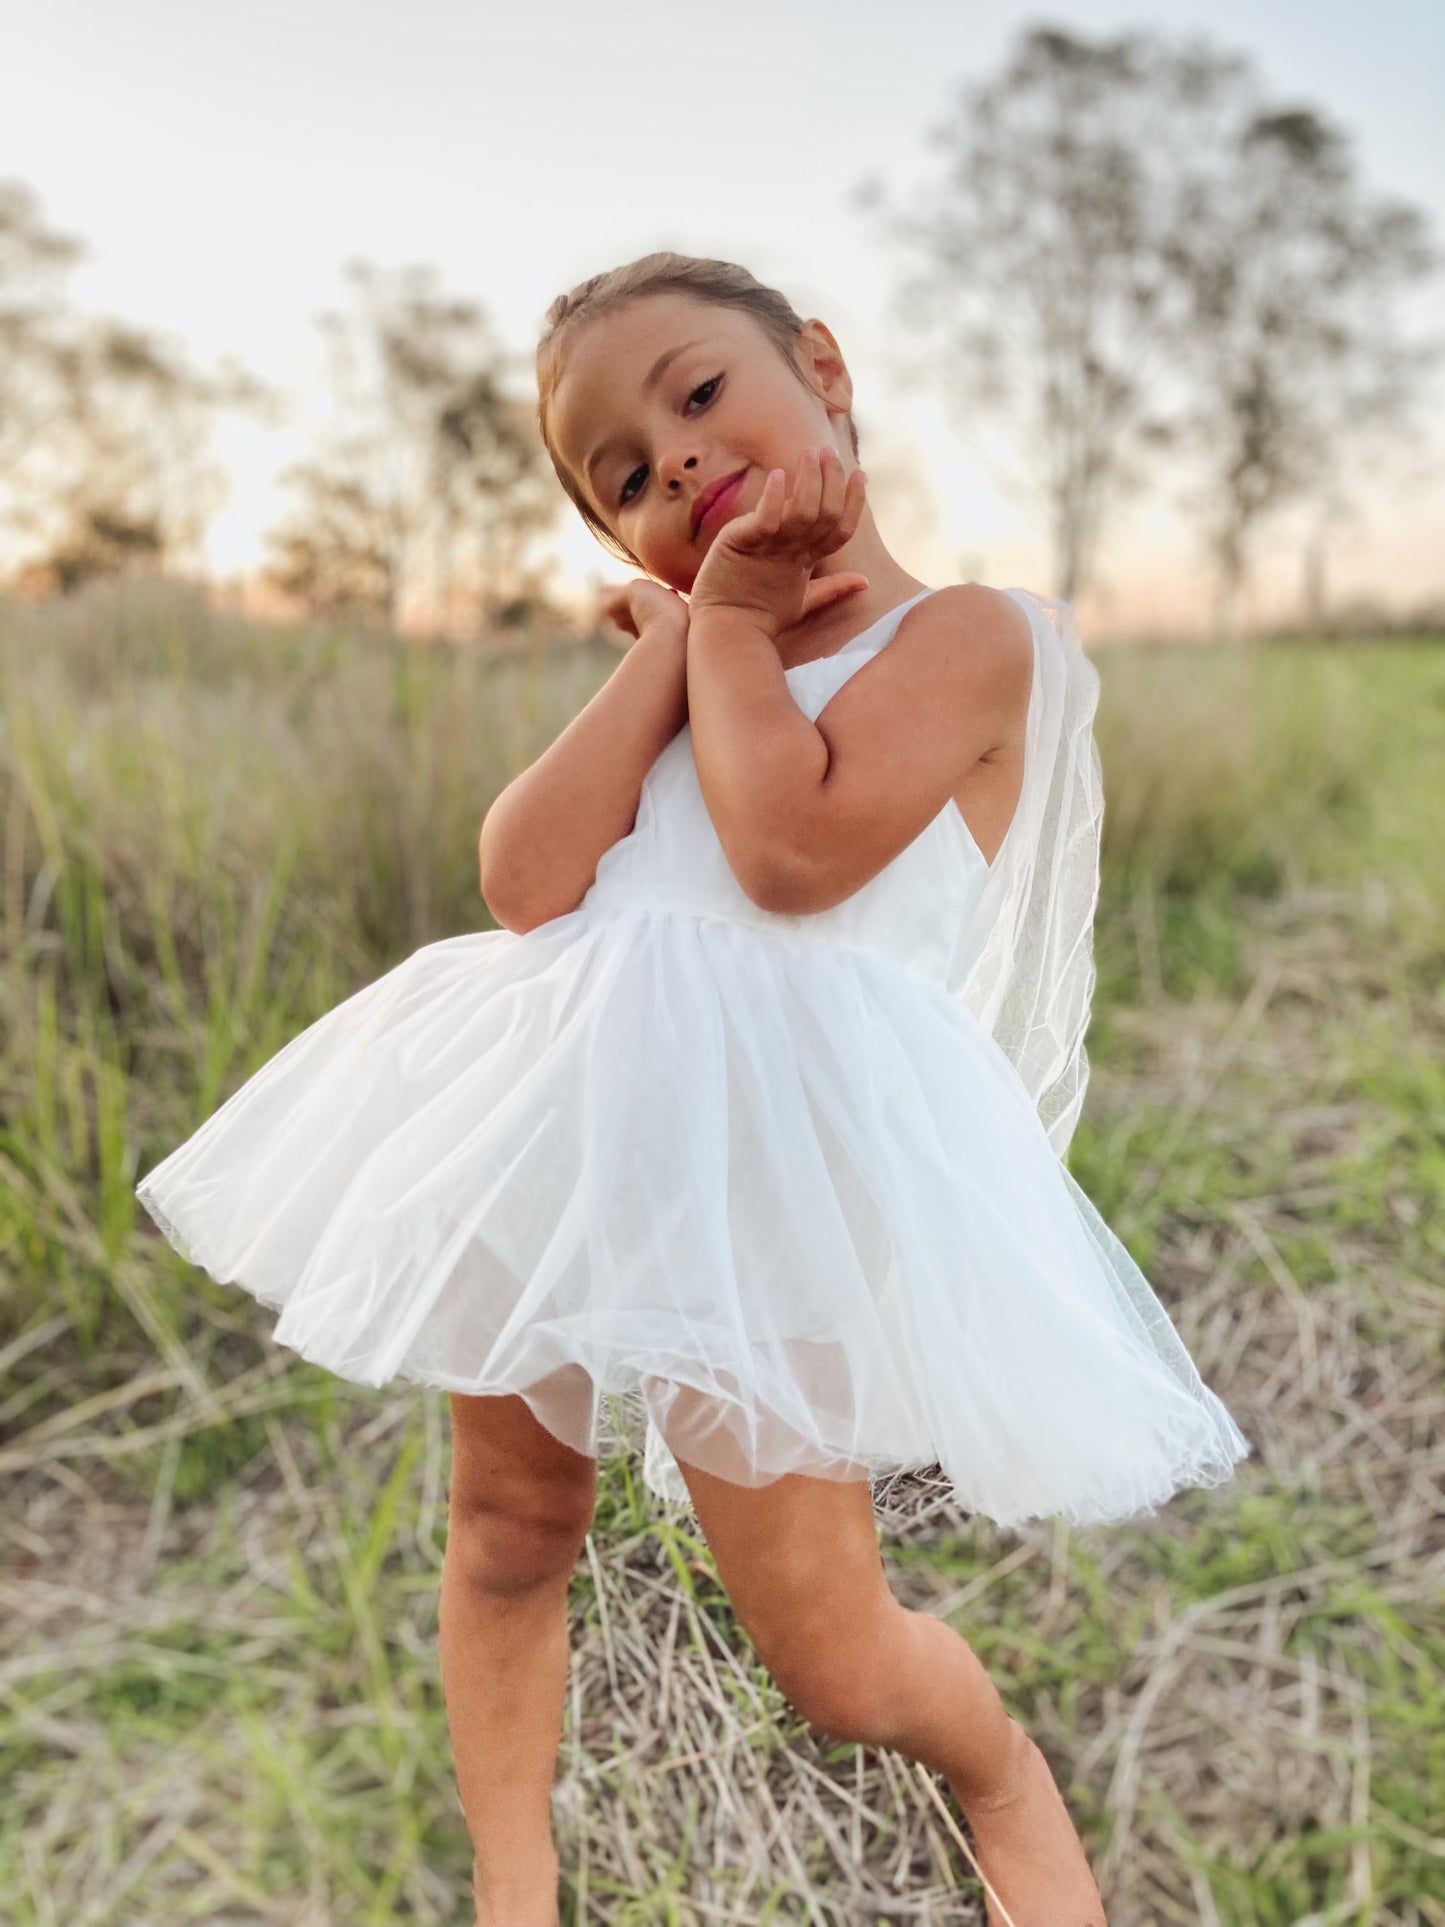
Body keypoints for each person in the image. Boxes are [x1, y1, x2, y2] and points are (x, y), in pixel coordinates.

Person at [135, 249, 1252, 1927]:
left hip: (779, 1170)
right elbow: (525, 880)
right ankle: (516, 1885)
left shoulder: (968, 638)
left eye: (698, 393)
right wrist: (664, 655)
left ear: (820, 365)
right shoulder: (682, 663)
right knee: (510, 1521)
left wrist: (720, 627)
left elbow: (790, 851)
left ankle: (992, 1764)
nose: (673, 460)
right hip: (560, 1122)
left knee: (836, 1667)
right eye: (623, 477)